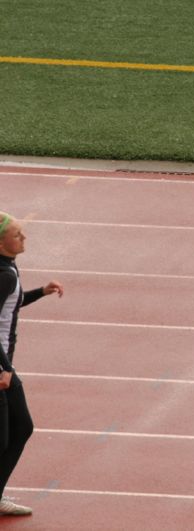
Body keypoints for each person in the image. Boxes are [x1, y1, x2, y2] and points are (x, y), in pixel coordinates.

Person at [0, 212, 63, 516]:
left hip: (3, 368)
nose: (23, 238)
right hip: (0, 369)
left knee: (19, 428)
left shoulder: (8, 269)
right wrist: (3, 368)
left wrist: (41, 292)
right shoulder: (4, 275)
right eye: (17, 234)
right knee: (12, 431)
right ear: (1, 242)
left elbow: (12, 302)